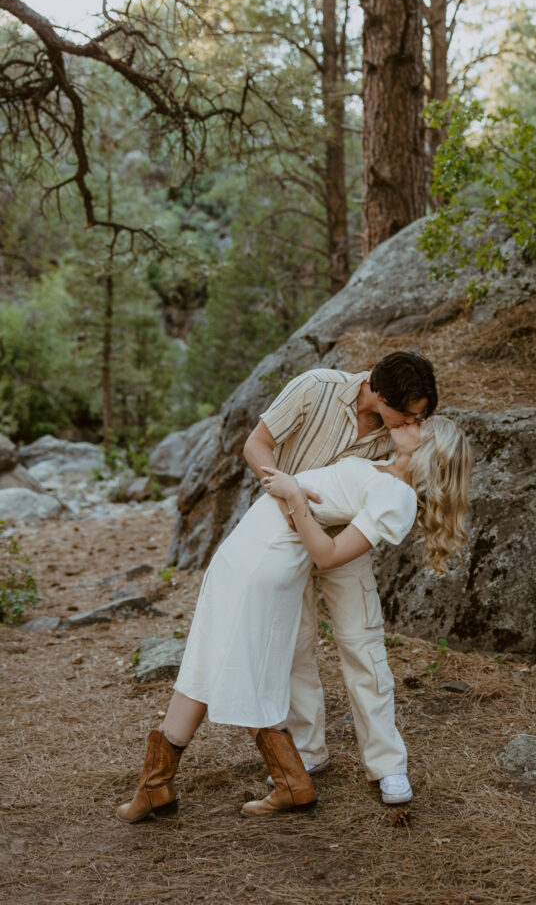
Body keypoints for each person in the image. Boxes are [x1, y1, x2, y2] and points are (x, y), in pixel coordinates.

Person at [116, 414, 472, 822]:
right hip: (250, 553)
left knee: (236, 668)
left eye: (418, 423)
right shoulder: (377, 462)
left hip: (264, 561)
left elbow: (327, 555)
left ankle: (287, 781)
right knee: (207, 659)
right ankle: (158, 786)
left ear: (429, 448)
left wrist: (294, 494)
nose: (408, 421)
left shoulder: (400, 496)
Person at [242, 352, 437, 805]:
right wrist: (290, 496)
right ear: (378, 392)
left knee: (363, 645)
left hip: (348, 542)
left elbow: (401, 486)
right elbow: (256, 445)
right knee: (294, 644)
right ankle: (308, 753)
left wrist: (408, 451)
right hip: (286, 534)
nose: (414, 422)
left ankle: (388, 765)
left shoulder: (400, 434)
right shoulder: (315, 388)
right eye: (407, 412)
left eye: (420, 414)